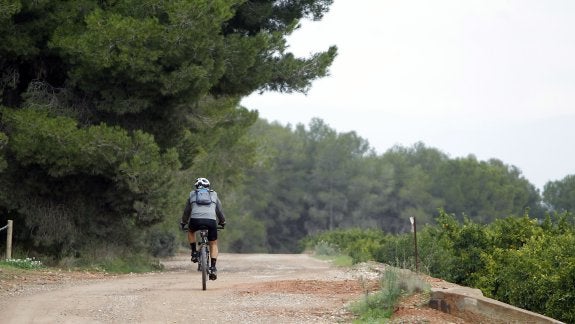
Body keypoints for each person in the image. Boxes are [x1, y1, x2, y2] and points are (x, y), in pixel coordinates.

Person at [180, 177, 226, 280]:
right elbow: (219, 211)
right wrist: (222, 222)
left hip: (195, 220)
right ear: (208, 186)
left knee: (191, 231)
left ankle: (194, 253)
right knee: (213, 243)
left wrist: (183, 222)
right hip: (211, 221)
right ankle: (213, 268)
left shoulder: (192, 194)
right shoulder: (214, 194)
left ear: (196, 187)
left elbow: (186, 211)